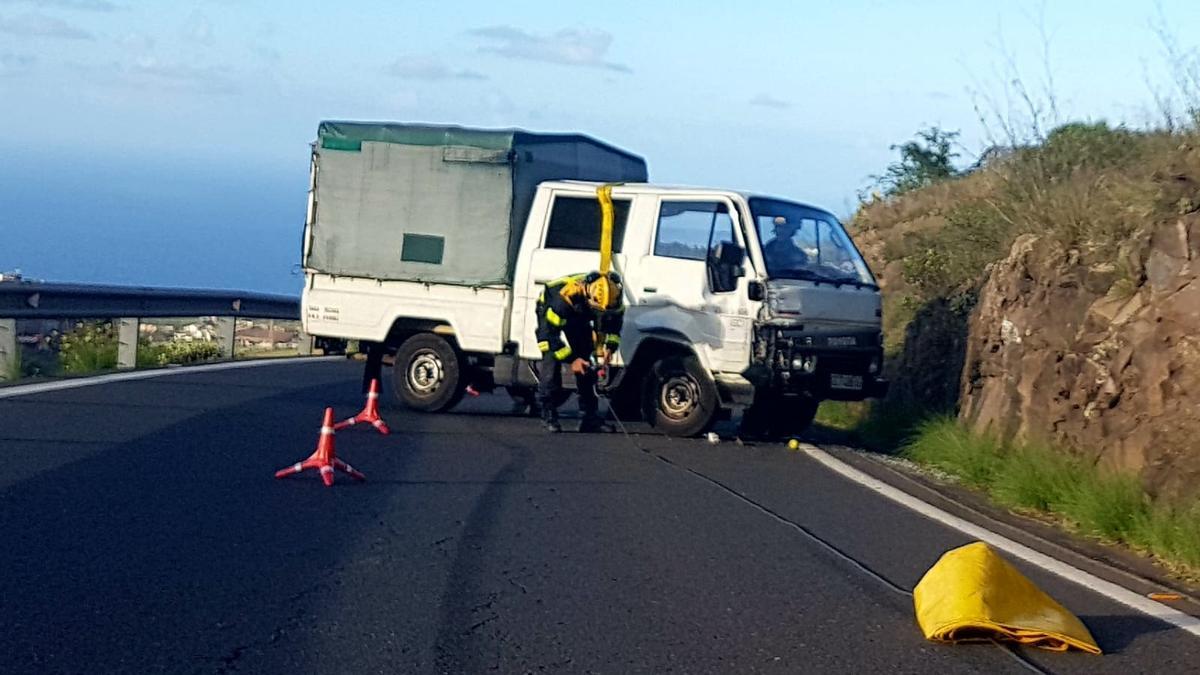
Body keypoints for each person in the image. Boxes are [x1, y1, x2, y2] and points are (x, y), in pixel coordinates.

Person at [535, 271, 625, 433]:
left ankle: (589, 418)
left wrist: (610, 348)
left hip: (580, 315)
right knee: (551, 360)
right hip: (554, 311)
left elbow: (614, 327)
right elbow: (547, 336)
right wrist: (572, 360)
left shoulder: (614, 299)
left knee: (586, 360)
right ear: (587, 294)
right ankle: (548, 413)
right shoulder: (563, 299)